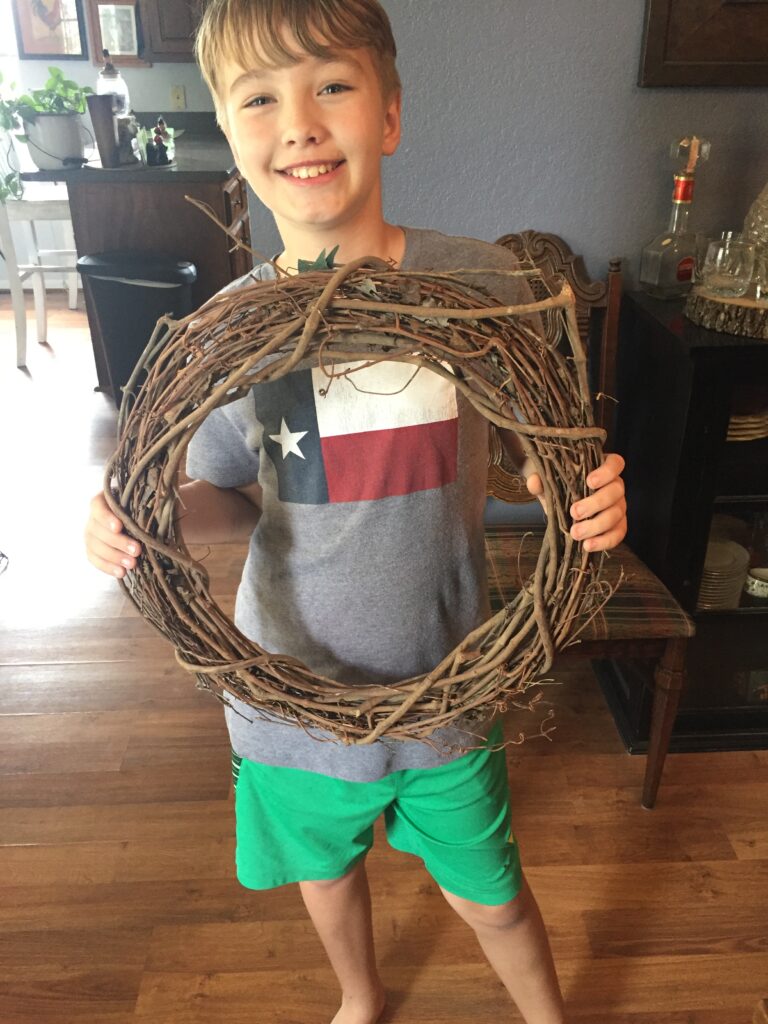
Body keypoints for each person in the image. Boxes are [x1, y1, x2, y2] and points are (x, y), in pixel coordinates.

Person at [85, 3, 627, 1022]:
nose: (299, 122)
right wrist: (121, 523)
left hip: (447, 676)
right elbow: (201, 485)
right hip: (287, 691)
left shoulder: (480, 287)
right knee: (326, 876)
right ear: (232, 134)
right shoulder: (229, 335)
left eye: (330, 85)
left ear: (388, 114)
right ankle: (359, 996)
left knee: (492, 894)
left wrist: (575, 494)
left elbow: (526, 458)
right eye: (260, 98)